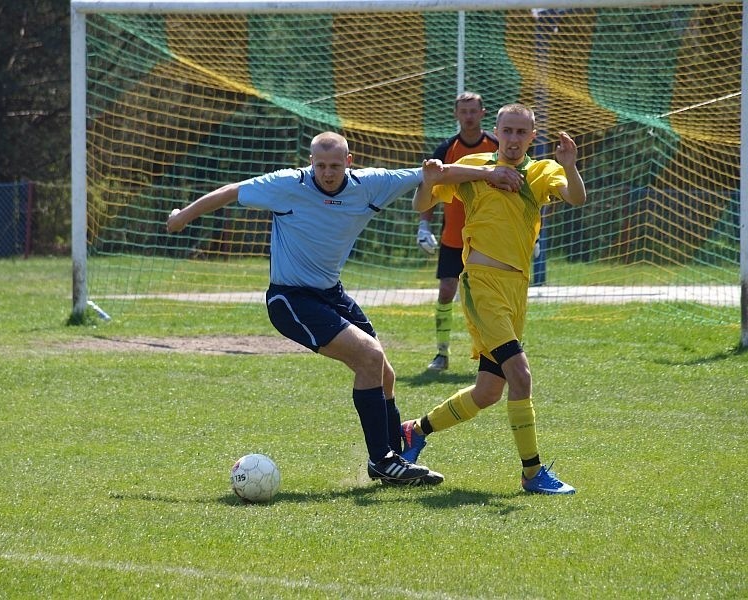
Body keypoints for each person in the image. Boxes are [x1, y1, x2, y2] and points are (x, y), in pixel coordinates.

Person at [166, 131, 523, 487]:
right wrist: (184, 215)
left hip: (330, 294)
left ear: (349, 163)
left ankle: (393, 457)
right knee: (368, 357)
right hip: (290, 299)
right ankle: (382, 461)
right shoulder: (287, 185)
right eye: (320, 165)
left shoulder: (369, 184)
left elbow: (433, 173)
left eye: (335, 165)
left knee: (384, 372)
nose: (327, 172)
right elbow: (233, 191)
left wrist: (489, 174)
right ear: (311, 163)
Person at [403, 104, 587, 494]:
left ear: (533, 137)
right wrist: (429, 179)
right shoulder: (474, 167)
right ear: (497, 132)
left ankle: (414, 432)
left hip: (516, 290)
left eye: (523, 132)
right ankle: (532, 473)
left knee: (488, 391)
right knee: (521, 375)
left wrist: (569, 164)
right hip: (482, 285)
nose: (515, 139)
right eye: (509, 131)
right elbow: (423, 203)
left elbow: (576, 198)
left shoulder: (540, 171)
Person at [417, 91, 499, 372]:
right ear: (456, 114)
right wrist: (424, 225)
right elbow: (429, 188)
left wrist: (532, 233)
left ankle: (495, 353)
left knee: (488, 296)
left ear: (483, 113)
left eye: (473, 111)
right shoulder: (445, 150)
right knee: (446, 291)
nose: (468, 116)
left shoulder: (498, 146)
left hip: (489, 237)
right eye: (463, 111)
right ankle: (442, 353)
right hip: (454, 237)